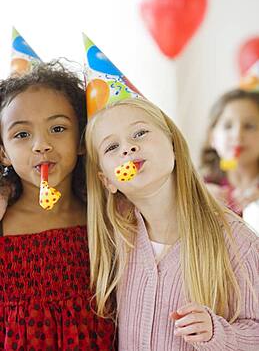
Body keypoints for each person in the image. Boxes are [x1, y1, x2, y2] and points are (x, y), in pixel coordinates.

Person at [85, 97, 259, 350]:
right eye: (111, 147)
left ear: (174, 146)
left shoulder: (238, 242)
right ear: (107, 181)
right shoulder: (116, 238)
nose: (128, 148)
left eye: (140, 133)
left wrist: (216, 333)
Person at [0, 62, 115, 350]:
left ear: (80, 141)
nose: (41, 144)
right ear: (3, 152)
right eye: (22, 134)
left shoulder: (104, 219)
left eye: (58, 128)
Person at [200, 89, 259, 216]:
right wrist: (198, 203)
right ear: (212, 137)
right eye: (227, 126)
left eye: (249, 126)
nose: (237, 136)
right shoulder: (200, 187)